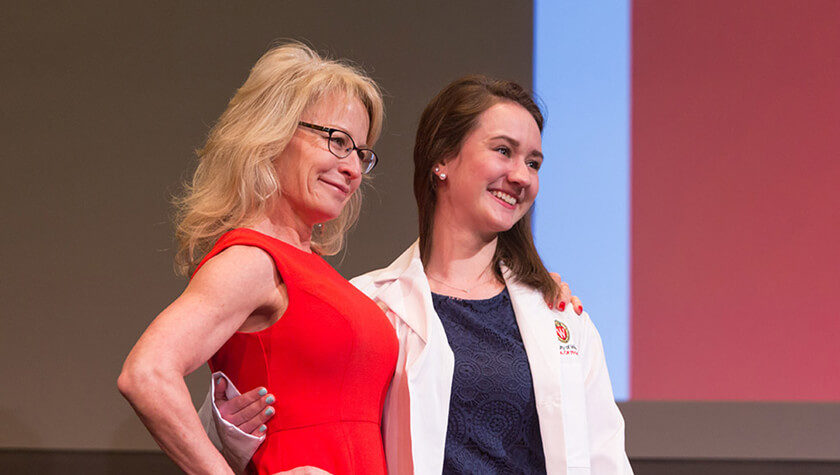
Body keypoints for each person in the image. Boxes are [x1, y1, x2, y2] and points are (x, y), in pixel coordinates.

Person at [205, 76, 632, 474]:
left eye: (534, 162)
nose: (521, 176)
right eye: (503, 151)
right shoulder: (368, 305)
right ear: (442, 159)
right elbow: (283, 421)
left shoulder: (560, 315)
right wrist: (234, 429)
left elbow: (606, 457)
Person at [117, 42, 398, 475]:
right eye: (338, 142)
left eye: (361, 153)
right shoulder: (253, 259)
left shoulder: (310, 266)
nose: (354, 169)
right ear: (275, 132)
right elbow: (146, 373)